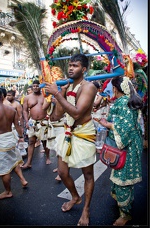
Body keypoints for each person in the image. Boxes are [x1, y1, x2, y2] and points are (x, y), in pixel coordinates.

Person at [44, 54, 97, 226]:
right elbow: (57, 115)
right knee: (62, 172)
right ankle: (75, 196)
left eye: (75, 65)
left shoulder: (88, 87)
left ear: (84, 69)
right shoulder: (67, 87)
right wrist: (61, 94)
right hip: (68, 133)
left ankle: (86, 209)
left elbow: (76, 113)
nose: (71, 68)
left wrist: (58, 96)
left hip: (84, 133)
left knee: (87, 175)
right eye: (70, 65)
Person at [98, 76, 143, 226]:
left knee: (122, 180)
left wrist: (107, 124)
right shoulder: (129, 100)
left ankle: (125, 215)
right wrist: (110, 123)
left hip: (126, 147)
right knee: (122, 177)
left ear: (116, 89)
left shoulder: (123, 103)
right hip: (133, 145)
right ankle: (124, 202)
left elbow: (125, 128)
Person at [0, 88, 28, 200]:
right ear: (3, 97)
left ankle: (8, 192)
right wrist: (21, 137)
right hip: (10, 139)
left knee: (4, 169)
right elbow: (17, 126)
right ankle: (23, 179)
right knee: (14, 160)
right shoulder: (11, 110)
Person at [21, 80, 50, 169]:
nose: (35, 87)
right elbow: (25, 110)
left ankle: (48, 157)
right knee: (31, 141)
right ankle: (29, 162)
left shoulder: (45, 96)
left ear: (40, 86)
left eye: (37, 86)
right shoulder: (27, 97)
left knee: (45, 141)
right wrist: (26, 121)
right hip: (32, 122)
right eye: (34, 86)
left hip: (43, 121)